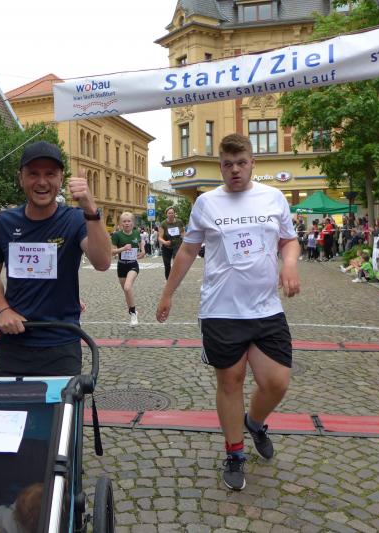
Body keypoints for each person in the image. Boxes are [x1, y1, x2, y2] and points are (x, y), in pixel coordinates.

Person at [155, 133, 300, 491]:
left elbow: (289, 240)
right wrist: (168, 293)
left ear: (253, 163)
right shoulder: (206, 203)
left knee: (276, 382)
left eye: (241, 163)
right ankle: (234, 452)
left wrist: (289, 264)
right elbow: (188, 251)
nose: (235, 170)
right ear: (220, 166)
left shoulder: (273, 197)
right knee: (230, 381)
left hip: (266, 308)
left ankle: (255, 422)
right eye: (227, 164)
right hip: (221, 309)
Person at [0, 141, 111, 377]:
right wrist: (2, 310)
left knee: (61, 403)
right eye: (33, 174)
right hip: (13, 343)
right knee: (6, 403)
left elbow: (102, 262)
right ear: (21, 178)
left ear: (61, 179)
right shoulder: (4, 222)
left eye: (50, 174)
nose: (42, 182)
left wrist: (91, 210)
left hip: (62, 343)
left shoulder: (75, 220)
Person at [111, 211, 146, 326]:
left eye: (129, 221)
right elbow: (111, 251)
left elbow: (141, 245)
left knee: (127, 287)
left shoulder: (136, 233)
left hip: (133, 265)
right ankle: (132, 311)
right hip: (121, 266)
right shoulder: (116, 235)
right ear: (121, 223)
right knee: (126, 292)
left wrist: (143, 252)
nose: (126, 223)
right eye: (124, 221)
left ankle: (133, 314)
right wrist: (123, 249)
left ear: (133, 223)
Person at [158, 206, 185, 279]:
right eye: (169, 213)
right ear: (166, 214)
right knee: (167, 265)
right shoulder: (163, 224)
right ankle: (168, 280)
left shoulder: (179, 222)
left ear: (174, 214)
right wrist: (165, 242)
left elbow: (183, 233)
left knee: (176, 262)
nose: (171, 214)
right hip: (166, 246)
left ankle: (175, 279)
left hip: (177, 245)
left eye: (172, 213)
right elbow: (159, 237)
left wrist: (185, 241)